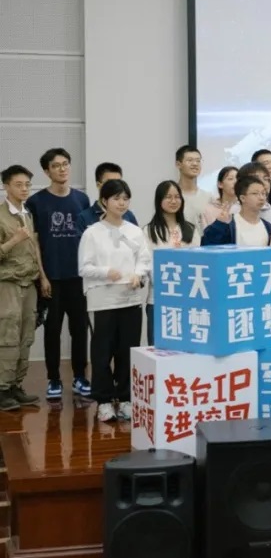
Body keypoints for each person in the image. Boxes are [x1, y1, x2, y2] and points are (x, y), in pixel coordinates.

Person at [77, 179, 150, 422]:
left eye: (125, 198)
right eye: (116, 198)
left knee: (127, 351)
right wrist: (106, 272)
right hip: (103, 301)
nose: (121, 203)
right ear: (104, 201)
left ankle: (126, 398)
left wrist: (138, 274)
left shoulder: (134, 231)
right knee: (102, 352)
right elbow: (84, 267)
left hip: (130, 299)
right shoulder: (92, 233)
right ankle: (104, 401)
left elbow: (144, 260)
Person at [25, 148, 90, 401]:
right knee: (52, 330)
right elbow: (34, 243)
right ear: (47, 171)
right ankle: (53, 379)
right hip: (51, 278)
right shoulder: (36, 202)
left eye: (65, 164)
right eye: (56, 166)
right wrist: (42, 276)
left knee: (79, 330)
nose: (62, 169)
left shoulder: (82, 200)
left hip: (78, 277)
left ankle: (80, 376)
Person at [0, 165, 44, 410]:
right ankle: (2, 389)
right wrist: (14, 240)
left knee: (26, 336)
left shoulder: (27, 214)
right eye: (19, 184)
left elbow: (33, 248)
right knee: (7, 336)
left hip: (29, 283)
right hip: (7, 284)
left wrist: (42, 277)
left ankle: (16, 385)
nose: (25, 189)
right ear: (6, 186)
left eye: (27, 184)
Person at [142, 180, 200, 346]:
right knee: (158, 349)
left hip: (187, 299)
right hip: (159, 299)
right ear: (159, 200)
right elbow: (147, 264)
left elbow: (197, 262)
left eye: (177, 197)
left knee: (186, 347)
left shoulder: (191, 230)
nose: (173, 201)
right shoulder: (148, 231)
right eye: (168, 197)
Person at [202, 175, 271, 247]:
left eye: (263, 193)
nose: (261, 198)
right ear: (242, 198)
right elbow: (207, 245)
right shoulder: (229, 225)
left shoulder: (269, 228)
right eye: (255, 193)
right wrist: (219, 224)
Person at [75, 162, 138, 234]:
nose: (116, 187)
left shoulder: (128, 215)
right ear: (98, 185)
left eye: (118, 182)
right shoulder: (84, 218)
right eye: (110, 183)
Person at [175, 146, 213, 227]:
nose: (195, 164)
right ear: (178, 164)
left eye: (198, 161)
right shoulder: (171, 196)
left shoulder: (208, 197)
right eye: (190, 160)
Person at [200, 166, 238, 230]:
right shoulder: (207, 210)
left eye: (238, 179)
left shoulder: (244, 207)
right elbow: (206, 234)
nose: (235, 182)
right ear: (220, 184)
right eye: (230, 179)